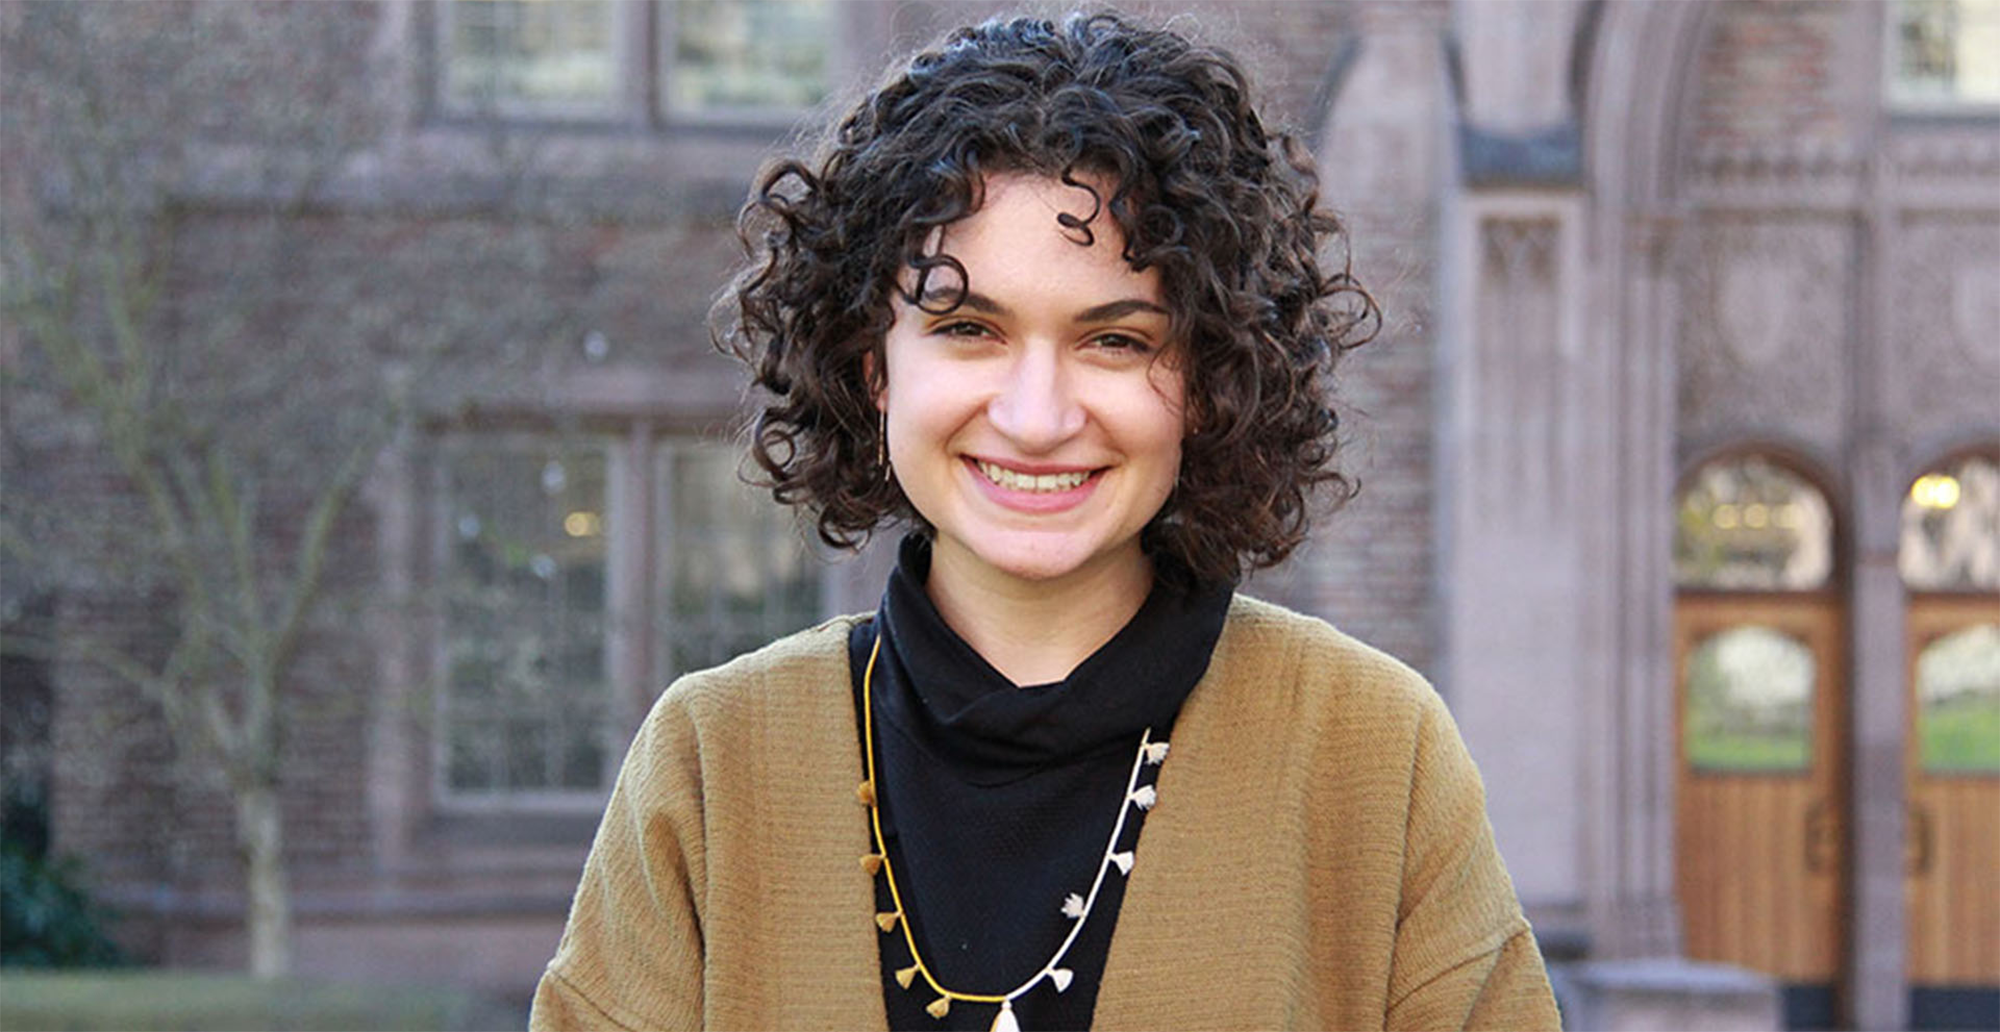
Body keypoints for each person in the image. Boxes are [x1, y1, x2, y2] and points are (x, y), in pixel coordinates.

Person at [531, 11, 1559, 1032]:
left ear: (1207, 379)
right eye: (967, 328)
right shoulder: (713, 761)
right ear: (871, 363)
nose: (1035, 418)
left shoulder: (1370, 751)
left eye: (1113, 340)